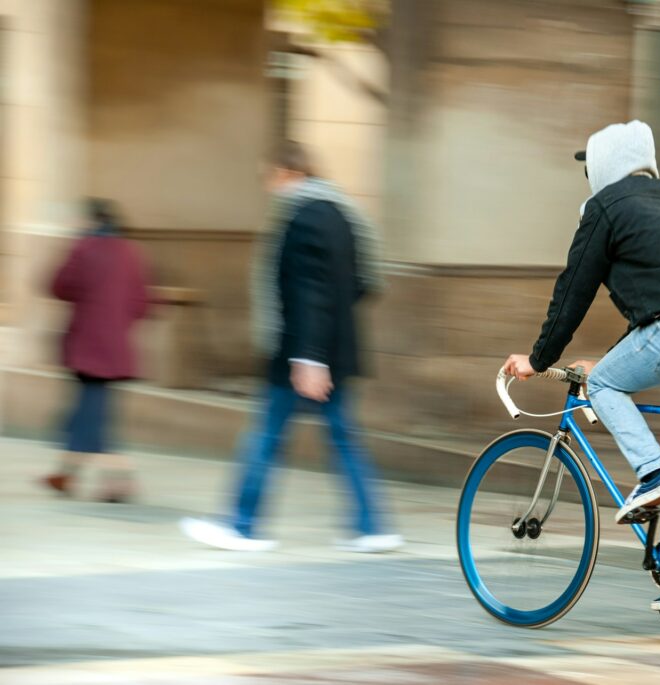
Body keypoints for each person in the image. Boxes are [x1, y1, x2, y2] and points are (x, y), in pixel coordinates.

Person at [502, 121, 660, 617]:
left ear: (605, 165)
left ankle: (651, 473)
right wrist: (617, 354)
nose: (586, 177)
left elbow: (573, 291)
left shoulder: (605, 208)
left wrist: (538, 360)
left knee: (601, 385)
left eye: (588, 166)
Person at [181, 141, 402, 553]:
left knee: (266, 435)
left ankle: (242, 525)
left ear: (287, 173)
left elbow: (308, 292)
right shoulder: (342, 214)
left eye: (270, 177)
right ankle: (372, 526)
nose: (269, 187)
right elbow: (362, 283)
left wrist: (309, 356)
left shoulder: (303, 216)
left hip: (302, 353)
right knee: (341, 438)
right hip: (333, 348)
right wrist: (329, 336)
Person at [42, 198, 149, 502]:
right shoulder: (131, 251)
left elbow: (58, 286)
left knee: (90, 418)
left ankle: (121, 477)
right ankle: (65, 476)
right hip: (116, 347)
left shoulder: (84, 248)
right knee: (85, 414)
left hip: (88, 346)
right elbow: (142, 303)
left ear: (90, 222)